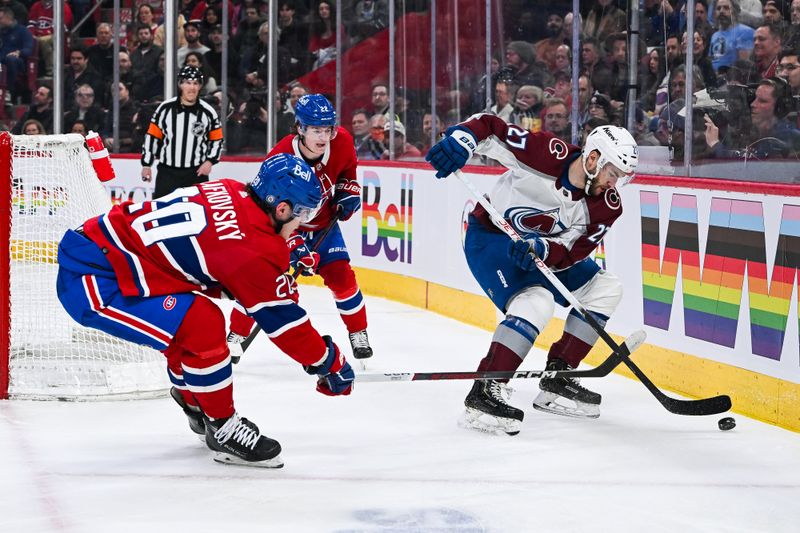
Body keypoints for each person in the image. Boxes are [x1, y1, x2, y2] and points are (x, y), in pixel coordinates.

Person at [56, 153, 354, 467]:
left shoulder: (229, 188)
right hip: (95, 280)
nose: (301, 225)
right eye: (300, 215)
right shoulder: (254, 251)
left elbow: (214, 251)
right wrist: (328, 361)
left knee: (191, 324)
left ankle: (194, 401)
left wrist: (277, 254)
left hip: (105, 249)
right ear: (281, 209)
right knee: (202, 325)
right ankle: (223, 429)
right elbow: (285, 324)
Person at [425, 117, 638, 434]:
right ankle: (486, 389)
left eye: (620, 178)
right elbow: (491, 129)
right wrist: (462, 140)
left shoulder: (606, 206)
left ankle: (558, 377)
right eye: (612, 174)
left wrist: (544, 250)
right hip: (491, 238)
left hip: (541, 251)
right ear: (593, 159)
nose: (614, 184)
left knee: (605, 288)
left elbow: (572, 251)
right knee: (537, 302)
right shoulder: (546, 153)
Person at [227, 94, 374, 362]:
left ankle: (358, 331)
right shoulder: (279, 157)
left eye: (327, 129)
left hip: (322, 227)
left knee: (342, 277)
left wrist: (347, 191)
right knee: (260, 282)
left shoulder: (341, 142)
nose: (323, 136)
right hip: (282, 230)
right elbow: (267, 209)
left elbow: (347, 172)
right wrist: (293, 245)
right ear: (300, 128)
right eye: (316, 130)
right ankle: (236, 335)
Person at [141, 65, 224, 199]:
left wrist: (210, 161)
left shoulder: (208, 112)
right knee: (162, 212)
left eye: (195, 83)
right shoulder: (165, 109)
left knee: (198, 213)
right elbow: (152, 137)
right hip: (167, 172)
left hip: (195, 172)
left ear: (200, 86)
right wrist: (146, 164)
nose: (191, 87)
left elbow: (217, 140)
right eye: (187, 83)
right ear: (180, 85)